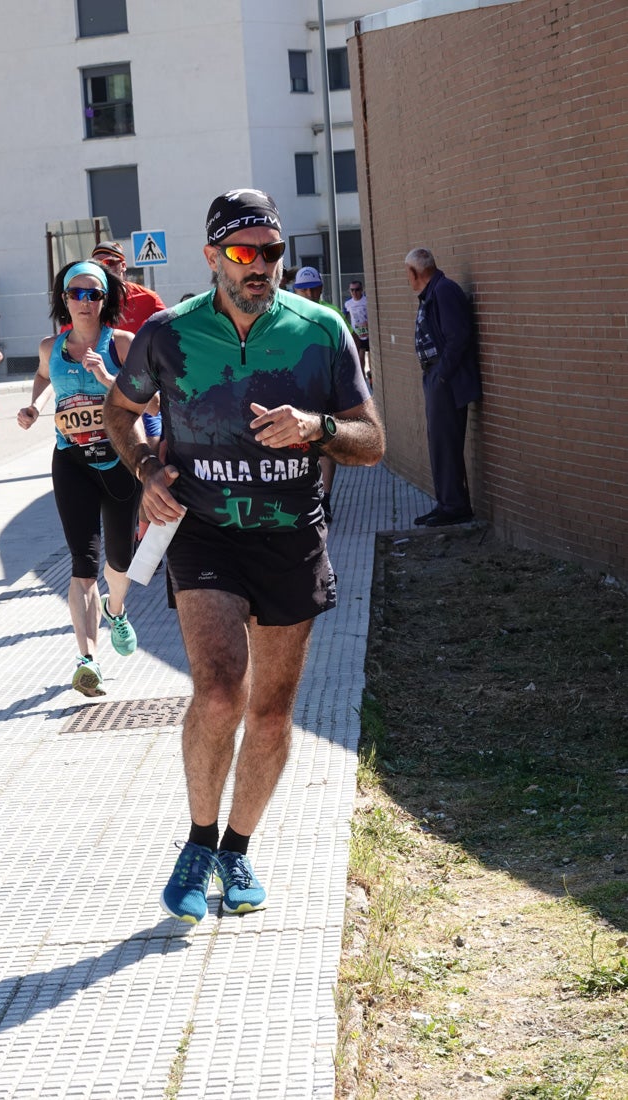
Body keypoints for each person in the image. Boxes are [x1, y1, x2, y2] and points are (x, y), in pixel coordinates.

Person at [104, 188, 385, 925]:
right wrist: (144, 473)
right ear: (212, 259)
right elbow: (119, 413)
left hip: (290, 536)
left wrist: (317, 426)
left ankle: (237, 848)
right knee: (221, 691)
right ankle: (198, 843)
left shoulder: (320, 331)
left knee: (269, 712)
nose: (260, 265)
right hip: (203, 534)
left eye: (271, 251)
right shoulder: (167, 334)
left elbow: (372, 442)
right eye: (242, 252)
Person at [16, 260, 141, 698]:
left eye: (94, 294)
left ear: (105, 300)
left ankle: (117, 608)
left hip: (120, 464)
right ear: (64, 299)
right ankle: (87, 660)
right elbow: (42, 375)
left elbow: (154, 404)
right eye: (77, 294)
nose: (85, 302)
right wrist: (33, 406)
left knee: (120, 562)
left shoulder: (123, 344)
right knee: (83, 565)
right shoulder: (51, 347)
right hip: (72, 464)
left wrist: (108, 379)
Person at [90, 239, 166, 540]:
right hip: (102, 396)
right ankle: (128, 531)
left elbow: (170, 337)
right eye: (98, 265)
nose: (104, 271)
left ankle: (146, 535)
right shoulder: (89, 300)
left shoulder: (147, 299)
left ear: (123, 266)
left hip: (144, 393)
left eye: (109, 264)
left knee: (151, 452)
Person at [404, 247, 482, 527]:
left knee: (445, 443)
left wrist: (442, 376)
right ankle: (446, 503)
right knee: (438, 443)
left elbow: (458, 336)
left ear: (415, 272)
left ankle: (454, 506)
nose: (407, 279)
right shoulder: (432, 293)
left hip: (445, 380)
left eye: (407, 273)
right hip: (436, 377)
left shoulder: (444, 291)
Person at [293, 266, 350, 524]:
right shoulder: (287, 314)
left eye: (313, 287)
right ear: (295, 290)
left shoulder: (332, 314)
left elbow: (351, 347)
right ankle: (306, 495)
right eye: (303, 289)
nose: (309, 292)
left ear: (320, 288)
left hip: (326, 390)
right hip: (297, 391)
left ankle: (325, 499)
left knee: (326, 446)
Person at [343, 280, 370, 382]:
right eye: (352, 290)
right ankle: (363, 381)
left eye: (357, 290)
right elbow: (344, 316)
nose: (354, 292)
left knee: (373, 359)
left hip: (369, 334)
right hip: (358, 334)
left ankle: (372, 378)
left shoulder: (366, 300)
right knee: (361, 358)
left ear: (362, 290)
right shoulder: (348, 303)